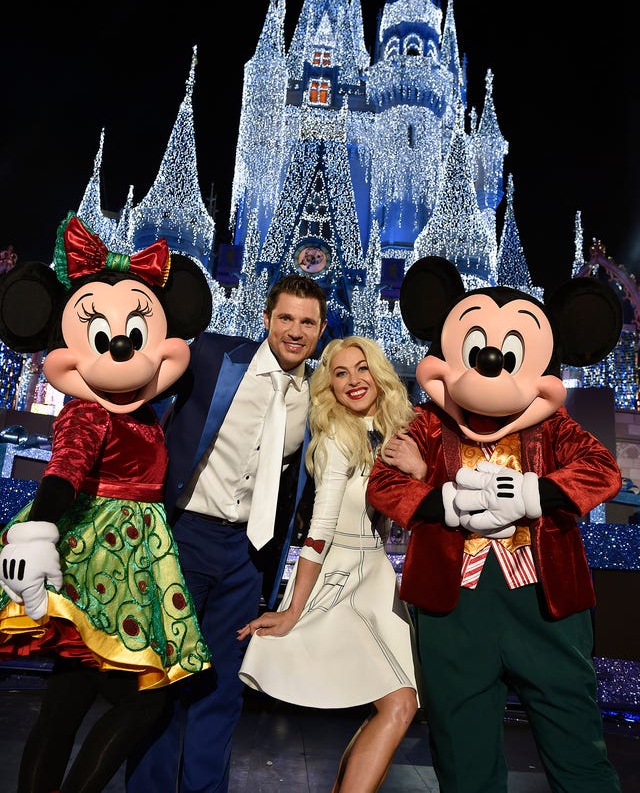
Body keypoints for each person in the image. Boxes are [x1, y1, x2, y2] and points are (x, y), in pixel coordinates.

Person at [366, 256, 623, 793]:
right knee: (463, 756)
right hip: (455, 606)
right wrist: (445, 501)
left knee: (576, 746)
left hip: (545, 604)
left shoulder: (553, 426)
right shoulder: (430, 423)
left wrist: (533, 493)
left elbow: (601, 470)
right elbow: (385, 484)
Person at [0, 212, 213, 793]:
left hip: (127, 559)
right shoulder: (91, 409)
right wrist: (37, 526)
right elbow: (66, 469)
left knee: (66, 703)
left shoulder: (140, 411)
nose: (122, 348)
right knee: (143, 699)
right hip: (102, 562)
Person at [125, 274, 328, 793]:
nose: (295, 330)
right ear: (266, 319)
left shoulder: (319, 396)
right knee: (164, 676)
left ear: (322, 329)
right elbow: (136, 391)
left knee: (221, 688)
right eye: (286, 318)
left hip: (248, 554)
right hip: (183, 539)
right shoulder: (213, 355)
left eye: (307, 322)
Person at [237, 336, 422, 793]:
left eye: (361, 369)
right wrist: (293, 609)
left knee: (401, 705)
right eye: (340, 373)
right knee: (399, 703)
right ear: (329, 387)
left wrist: (418, 472)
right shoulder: (339, 435)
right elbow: (319, 528)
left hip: (377, 575)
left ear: (379, 374)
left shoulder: (399, 430)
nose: (354, 380)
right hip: (342, 575)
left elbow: (420, 511)